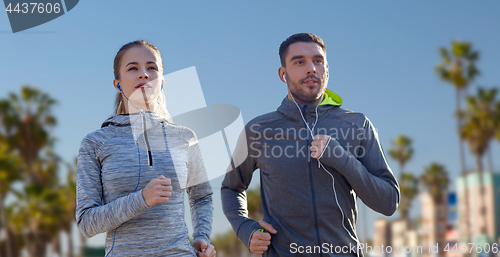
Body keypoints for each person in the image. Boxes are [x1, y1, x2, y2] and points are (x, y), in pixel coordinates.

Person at [221, 33, 400, 256]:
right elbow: (231, 187)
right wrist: (245, 228)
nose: (311, 69)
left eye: (318, 61)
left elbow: (389, 202)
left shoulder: (357, 124)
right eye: (299, 62)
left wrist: (343, 159)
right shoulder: (258, 130)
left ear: (327, 68)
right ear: (282, 74)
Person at [76, 40, 216, 257]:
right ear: (118, 84)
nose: (143, 74)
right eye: (133, 68)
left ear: (162, 81)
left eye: (152, 67)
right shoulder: (95, 142)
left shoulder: (185, 137)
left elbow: (202, 196)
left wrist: (202, 237)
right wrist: (141, 199)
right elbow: (86, 223)